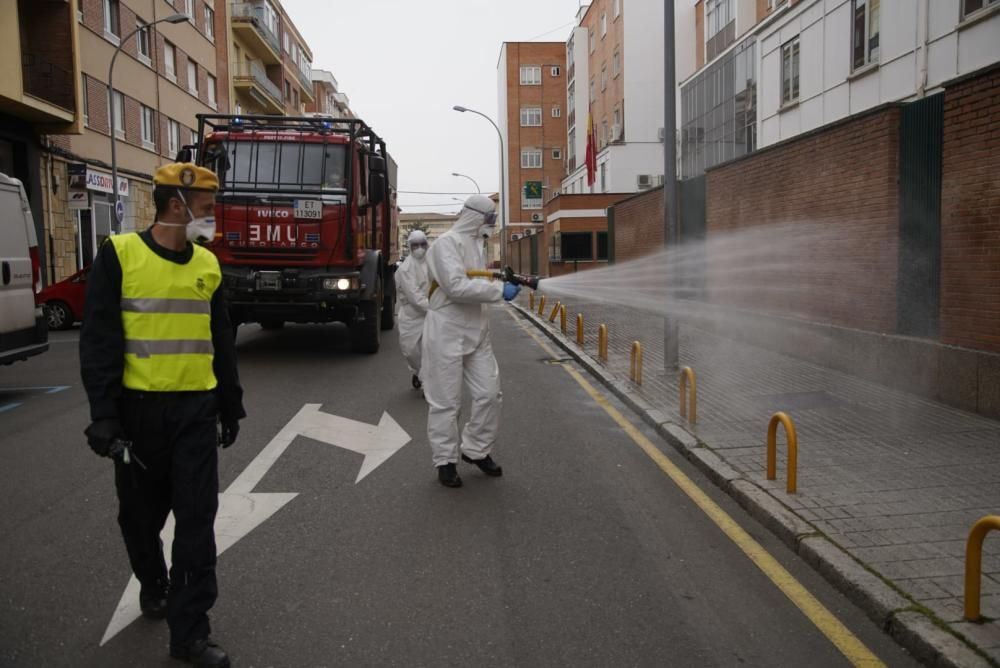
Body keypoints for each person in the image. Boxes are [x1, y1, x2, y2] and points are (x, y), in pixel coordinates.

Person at [80, 163, 244, 668]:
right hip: (138, 416)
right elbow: (100, 338)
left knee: (197, 524)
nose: (212, 217)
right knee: (139, 519)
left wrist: (229, 402)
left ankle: (190, 632)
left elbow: (221, 339)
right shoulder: (120, 255)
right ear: (177, 204)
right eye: (207, 208)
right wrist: (104, 414)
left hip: (194, 412)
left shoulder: (208, 266)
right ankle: (153, 583)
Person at [421, 194, 521, 488]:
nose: (491, 225)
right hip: (446, 330)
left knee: (490, 395)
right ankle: (445, 461)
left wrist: (498, 284)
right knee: (445, 403)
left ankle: (476, 449)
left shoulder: (477, 246)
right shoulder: (445, 245)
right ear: (476, 217)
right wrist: (497, 291)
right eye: (490, 219)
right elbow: (455, 286)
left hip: (476, 330)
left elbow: (477, 281)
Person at [396, 230, 431, 389]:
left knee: (431, 350)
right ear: (410, 246)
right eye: (415, 245)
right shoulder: (405, 269)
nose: (420, 248)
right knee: (411, 351)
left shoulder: (433, 263)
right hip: (412, 315)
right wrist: (436, 308)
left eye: (422, 244)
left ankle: (428, 383)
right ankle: (419, 373)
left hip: (430, 315)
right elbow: (415, 298)